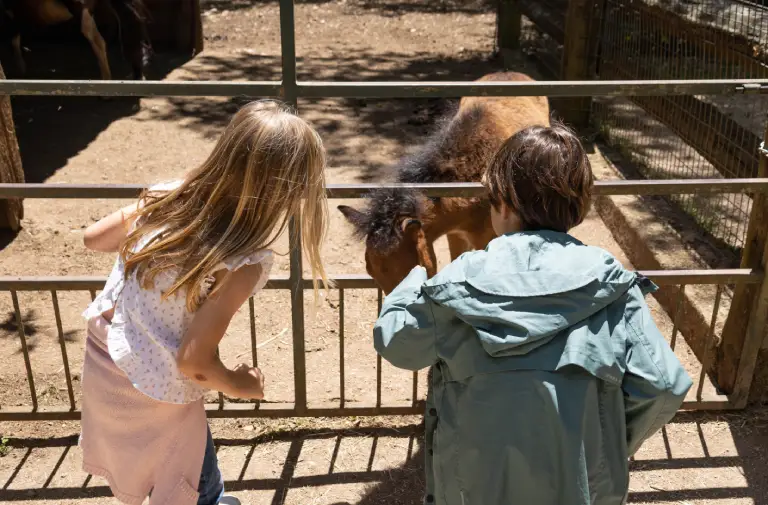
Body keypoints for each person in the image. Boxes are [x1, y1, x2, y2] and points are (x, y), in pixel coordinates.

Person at [373, 123, 692, 505]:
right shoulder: (614, 287)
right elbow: (664, 385)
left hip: (471, 487)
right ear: (578, 206)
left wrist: (413, 282)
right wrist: (609, 443)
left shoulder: (457, 283)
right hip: (581, 487)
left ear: (503, 203)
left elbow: (399, 345)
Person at [80, 100, 329, 505]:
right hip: (158, 390)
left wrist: (161, 215)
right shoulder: (244, 262)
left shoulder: (164, 197)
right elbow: (194, 364)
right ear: (289, 190)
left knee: (167, 463)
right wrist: (241, 384)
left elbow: (93, 239)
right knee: (195, 489)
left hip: (107, 364)